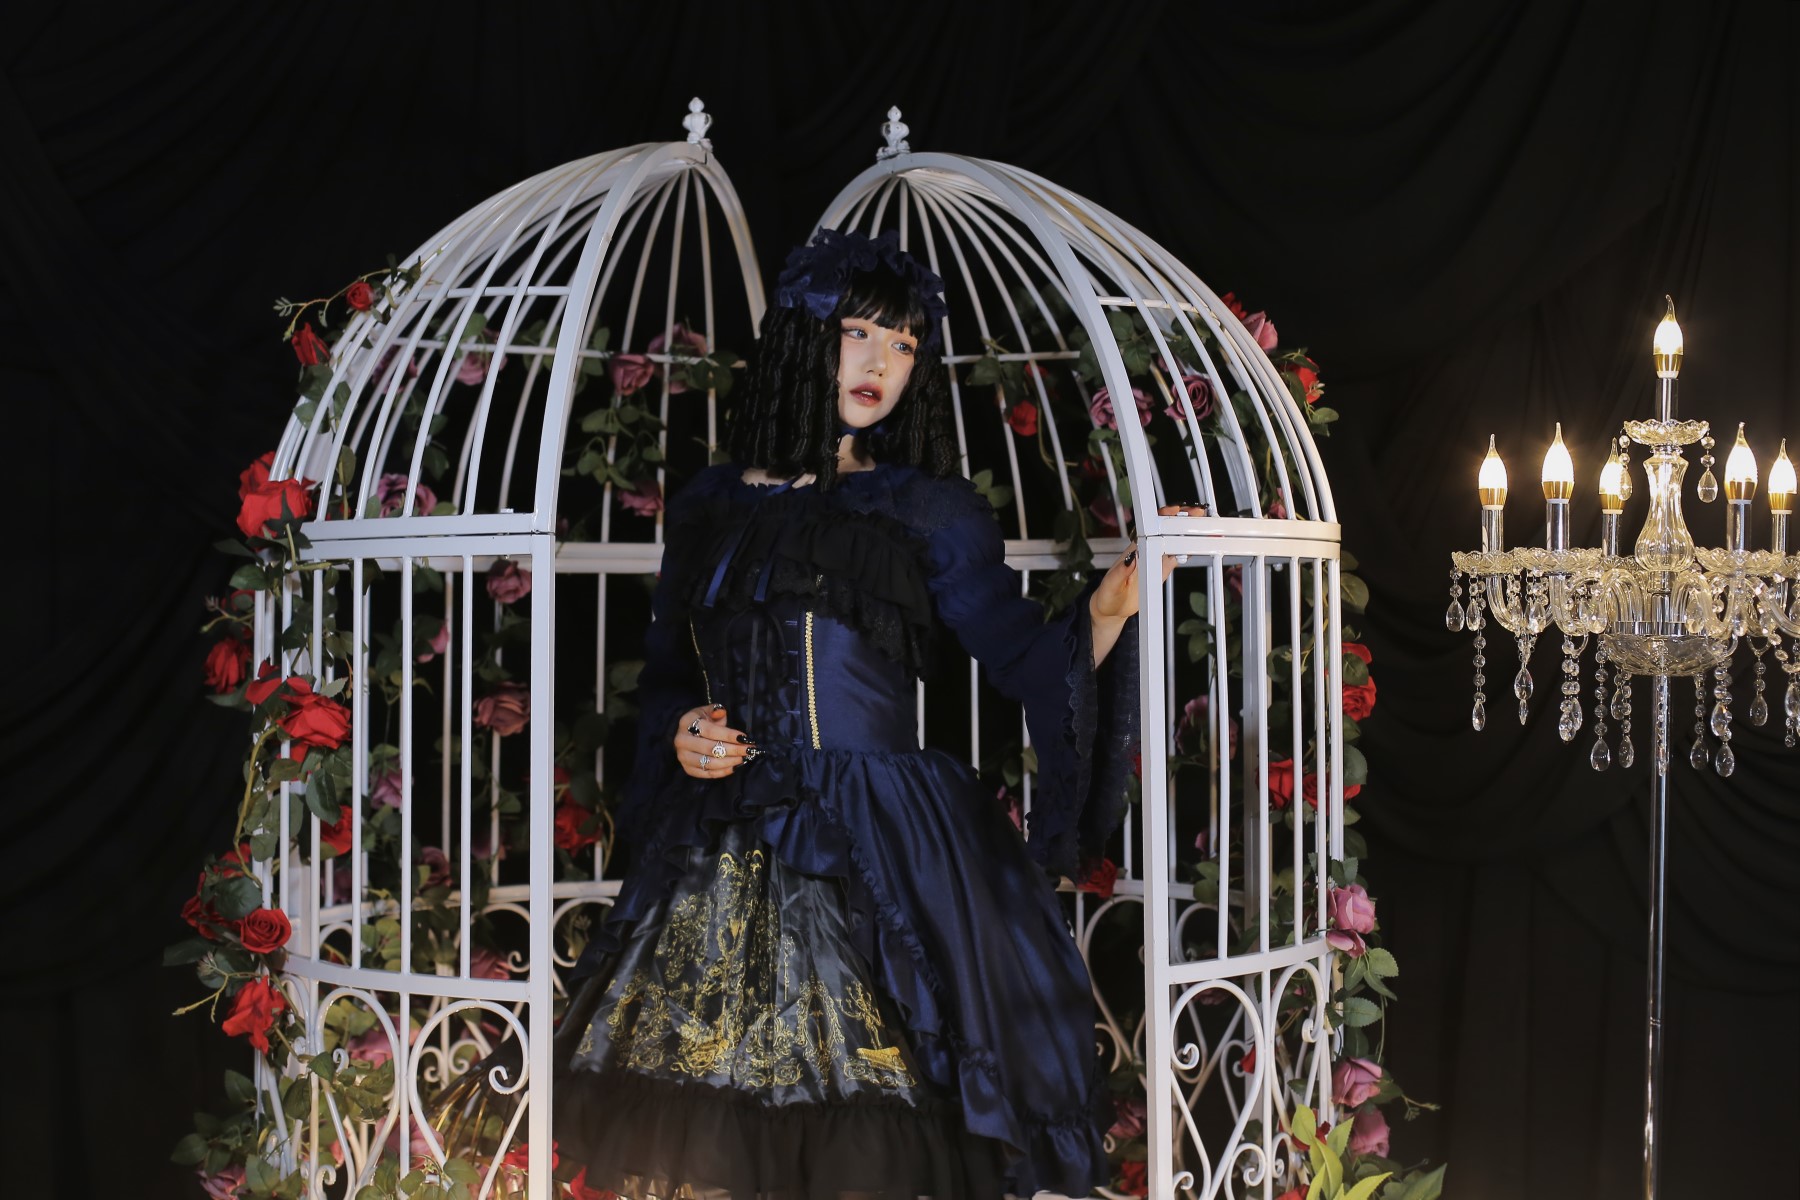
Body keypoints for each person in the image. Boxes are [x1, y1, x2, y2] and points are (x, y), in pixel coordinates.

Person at [552, 228, 1166, 1198]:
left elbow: (1021, 660)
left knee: (876, 1132)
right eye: (860, 333)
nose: (883, 362)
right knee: (723, 1141)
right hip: (728, 844)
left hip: (882, 844)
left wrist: (1103, 615)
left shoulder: (922, 510)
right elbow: (669, 670)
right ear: (807, 336)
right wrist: (681, 731)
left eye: (906, 343)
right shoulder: (711, 504)